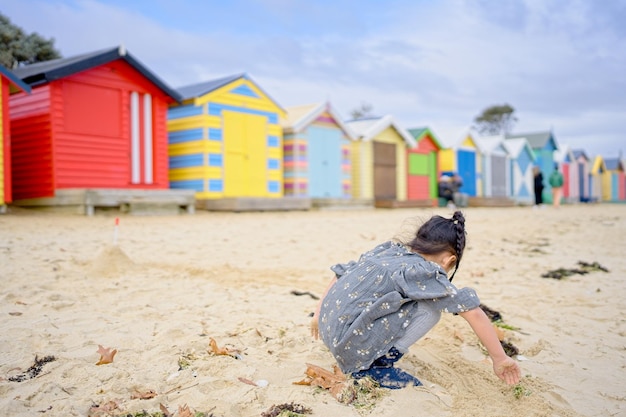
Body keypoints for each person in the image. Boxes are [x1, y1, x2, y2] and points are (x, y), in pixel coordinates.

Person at [310, 211, 521, 389]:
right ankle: (377, 368)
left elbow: (340, 273)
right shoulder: (423, 271)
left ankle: (368, 356)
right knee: (430, 310)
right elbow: (472, 311)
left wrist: (318, 314)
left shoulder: (388, 250)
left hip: (330, 332)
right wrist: (500, 358)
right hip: (350, 350)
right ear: (449, 260)